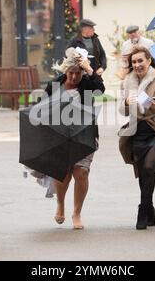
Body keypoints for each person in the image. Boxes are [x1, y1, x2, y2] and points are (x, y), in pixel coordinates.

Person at [45, 47, 105, 229]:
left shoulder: (87, 83)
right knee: (63, 173)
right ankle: (60, 204)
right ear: (65, 70)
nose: (73, 77)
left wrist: (89, 69)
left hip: (85, 134)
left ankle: (77, 213)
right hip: (61, 135)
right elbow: (43, 108)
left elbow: (100, 90)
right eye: (70, 73)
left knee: (81, 172)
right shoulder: (54, 85)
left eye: (77, 73)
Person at [118, 46, 155, 229]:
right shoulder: (127, 82)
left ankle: (142, 210)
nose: (137, 65)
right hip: (137, 131)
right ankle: (149, 207)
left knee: (150, 166)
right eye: (133, 62)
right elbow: (122, 109)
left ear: (149, 61)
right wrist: (126, 103)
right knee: (143, 171)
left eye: (140, 61)